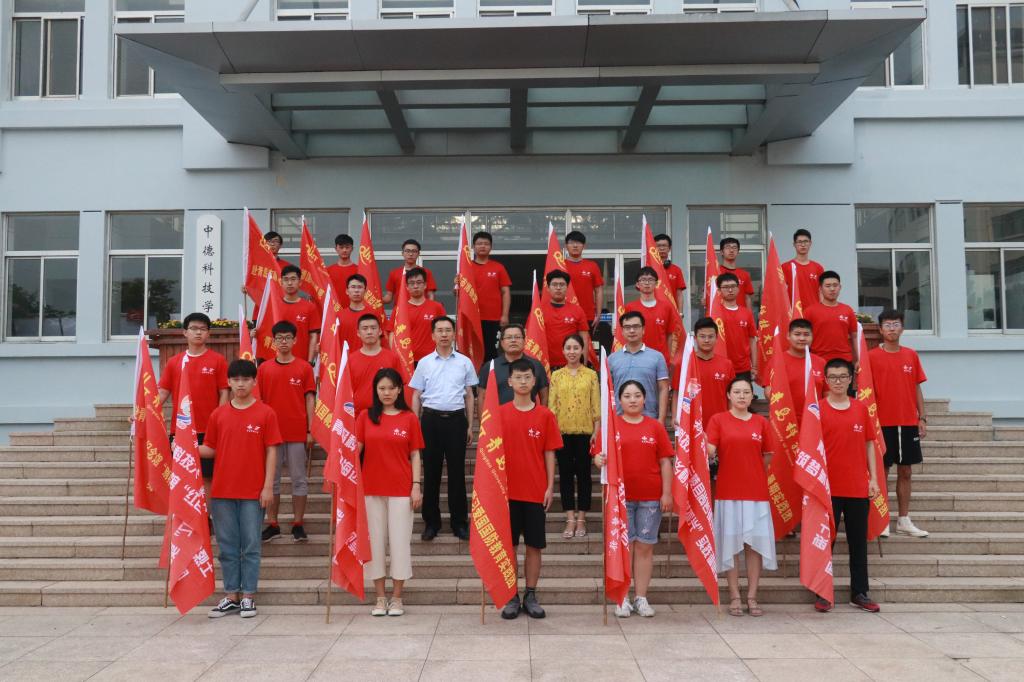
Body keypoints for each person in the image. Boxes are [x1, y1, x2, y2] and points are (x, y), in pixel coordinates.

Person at [200, 359, 280, 619]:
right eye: (236, 380)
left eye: (246, 379)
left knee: (251, 545)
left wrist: (268, 487)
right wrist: (183, 446)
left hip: (253, 492)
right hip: (222, 492)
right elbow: (210, 449)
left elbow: (272, 451)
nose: (241, 384)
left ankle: (248, 596)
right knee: (227, 546)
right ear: (229, 383)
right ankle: (232, 595)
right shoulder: (218, 414)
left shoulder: (266, 413)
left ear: (254, 382)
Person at [593, 380, 672, 618]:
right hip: (620, 498)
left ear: (645, 399)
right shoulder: (610, 426)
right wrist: (598, 460)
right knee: (624, 548)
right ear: (619, 400)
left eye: (637, 395)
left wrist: (667, 492)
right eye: (627, 396)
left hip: (650, 497)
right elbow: (598, 457)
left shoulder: (655, 427)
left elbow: (665, 461)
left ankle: (641, 598)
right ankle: (622, 598)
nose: (633, 400)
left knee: (645, 546)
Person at [356, 368, 424, 617]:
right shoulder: (365, 417)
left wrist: (416, 485)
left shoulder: (409, 418)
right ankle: (380, 597)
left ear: (399, 390)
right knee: (375, 544)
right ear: (375, 390)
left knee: (399, 544)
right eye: (382, 388)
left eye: (391, 388)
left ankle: (397, 598)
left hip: (401, 490)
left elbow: (415, 455)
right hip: (371, 488)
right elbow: (355, 450)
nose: (386, 393)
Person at [499, 359, 562, 620]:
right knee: (509, 546)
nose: (523, 382)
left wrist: (549, 486)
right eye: (518, 377)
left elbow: (549, 453)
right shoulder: (499, 414)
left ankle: (531, 594)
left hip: (535, 491)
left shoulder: (545, 415)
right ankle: (511, 595)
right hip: (507, 493)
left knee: (534, 546)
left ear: (535, 381)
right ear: (510, 381)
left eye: (527, 377)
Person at [707, 377, 775, 618]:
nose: (742, 396)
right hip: (728, 491)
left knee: (754, 546)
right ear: (729, 395)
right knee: (731, 545)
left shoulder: (761, 422)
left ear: (752, 396)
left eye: (746, 392)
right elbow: (710, 450)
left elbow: (767, 455)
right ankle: (735, 595)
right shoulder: (718, 420)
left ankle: (752, 596)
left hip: (756, 492)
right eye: (737, 392)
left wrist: (751, 471)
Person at [818, 359, 881, 613]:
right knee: (826, 542)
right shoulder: (817, 409)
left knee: (858, 542)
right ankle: (822, 591)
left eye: (843, 376)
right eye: (833, 377)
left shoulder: (860, 409)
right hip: (827, 488)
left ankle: (860, 592)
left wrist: (873, 479)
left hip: (857, 486)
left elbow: (869, 444)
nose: (838, 381)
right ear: (825, 380)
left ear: (851, 380)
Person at [410, 316, 478, 541]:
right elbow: (416, 395)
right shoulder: (424, 363)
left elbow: (470, 395)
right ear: (433, 335)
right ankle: (431, 523)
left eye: (448, 330)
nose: (444, 334)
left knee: (457, 473)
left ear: (454, 333)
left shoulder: (464, 362)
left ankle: (460, 523)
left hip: (457, 421)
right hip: (430, 421)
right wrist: (415, 423)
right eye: (439, 330)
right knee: (431, 473)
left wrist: (470, 425)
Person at [868, 309, 929, 538]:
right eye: (887, 325)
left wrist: (922, 417)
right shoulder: (871, 357)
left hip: (908, 422)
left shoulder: (911, 355)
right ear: (880, 329)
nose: (892, 328)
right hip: (881, 424)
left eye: (896, 324)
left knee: (906, 471)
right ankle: (881, 519)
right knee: (881, 472)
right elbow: (865, 391)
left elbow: (916, 387)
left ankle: (903, 519)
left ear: (902, 328)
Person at [256, 321, 315, 544]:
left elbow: (310, 400)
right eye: (279, 338)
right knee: (272, 481)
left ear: (295, 340)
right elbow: (259, 402)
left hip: (297, 432)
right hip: (271, 435)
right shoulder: (264, 369)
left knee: (299, 479)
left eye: (287, 337)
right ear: (273, 341)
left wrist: (310, 429)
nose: (283, 341)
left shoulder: (304, 368)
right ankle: (273, 524)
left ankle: (298, 524)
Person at [158, 312, 228, 489]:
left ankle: (207, 509)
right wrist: (143, 412)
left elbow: (224, 393)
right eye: (194, 328)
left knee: (207, 477)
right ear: (185, 332)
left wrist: (219, 421)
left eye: (203, 329)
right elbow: (162, 392)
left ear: (208, 333)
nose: (198, 332)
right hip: (181, 429)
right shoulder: (174, 362)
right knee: (181, 476)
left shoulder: (218, 360)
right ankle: (183, 509)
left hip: (208, 429)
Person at [548, 334, 599, 539]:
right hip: (562, 434)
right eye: (568, 348)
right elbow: (551, 407)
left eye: (576, 348)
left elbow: (596, 405)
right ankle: (570, 518)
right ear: (563, 351)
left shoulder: (591, 375)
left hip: (586, 434)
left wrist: (596, 431)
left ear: (582, 350)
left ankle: (581, 519)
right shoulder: (556, 376)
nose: (572, 352)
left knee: (584, 476)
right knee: (566, 476)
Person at [608, 311, 670, 424]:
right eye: (627, 327)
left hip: (650, 418)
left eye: (636, 326)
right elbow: (608, 391)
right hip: (619, 419)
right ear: (622, 331)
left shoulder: (657, 357)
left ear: (643, 329)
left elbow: (663, 388)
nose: (632, 330)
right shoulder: (612, 359)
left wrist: (661, 419)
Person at [477, 323, 548, 406]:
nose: (513, 340)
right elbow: (482, 397)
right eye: (509, 337)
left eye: (517, 337)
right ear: (502, 342)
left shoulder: (536, 365)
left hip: (529, 413)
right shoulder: (490, 366)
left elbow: (544, 396)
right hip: (498, 414)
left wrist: (542, 414)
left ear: (524, 341)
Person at [624, 266, 681, 367]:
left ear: (656, 283)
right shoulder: (630, 307)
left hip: (660, 359)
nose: (647, 283)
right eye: (643, 280)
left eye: (650, 280)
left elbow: (670, 335)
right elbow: (625, 333)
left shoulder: (667, 307)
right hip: (636, 359)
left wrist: (668, 358)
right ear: (637, 284)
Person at [469, 231, 512, 363]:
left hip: (493, 318)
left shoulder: (498, 268)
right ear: (473, 247)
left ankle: (491, 376)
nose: (483, 246)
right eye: (479, 243)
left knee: (491, 352)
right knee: (472, 352)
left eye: (486, 244)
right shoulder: (467, 267)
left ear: (491, 247)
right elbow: (459, 294)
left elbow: (506, 292)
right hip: (472, 318)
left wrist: (504, 315)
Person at [349, 314, 403, 414]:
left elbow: (400, 387)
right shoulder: (349, 360)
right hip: (357, 414)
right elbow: (345, 391)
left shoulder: (392, 358)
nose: (369, 332)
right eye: (365, 328)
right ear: (358, 333)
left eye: (373, 328)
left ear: (380, 331)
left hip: (386, 414)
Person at [391, 267, 446, 362]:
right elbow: (392, 333)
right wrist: (395, 354)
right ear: (407, 287)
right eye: (412, 283)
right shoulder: (399, 309)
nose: (415, 286)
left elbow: (443, 331)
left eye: (419, 282)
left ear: (425, 285)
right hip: (406, 360)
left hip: (431, 359)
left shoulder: (437, 307)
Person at [804, 271, 857, 364]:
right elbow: (804, 337)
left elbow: (855, 337)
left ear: (840, 287)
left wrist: (857, 359)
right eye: (828, 286)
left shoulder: (848, 310)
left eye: (835, 285)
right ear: (820, 289)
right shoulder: (810, 311)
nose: (832, 289)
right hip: (818, 360)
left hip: (844, 360)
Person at [541, 270, 590, 370]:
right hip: (545, 365)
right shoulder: (538, 311)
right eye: (554, 284)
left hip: (571, 365)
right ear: (548, 288)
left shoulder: (577, 310)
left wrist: (583, 367)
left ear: (567, 287)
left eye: (562, 284)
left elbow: (584, 339)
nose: (558, 288)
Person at [716, 272, 758, 383]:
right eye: (726, 287)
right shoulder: (715, 313)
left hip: (743, 367)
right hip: (721, 366)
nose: (730, 290)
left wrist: (754, 366)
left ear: (738, 289)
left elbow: (752, 340)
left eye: (733, 286)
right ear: (719, 291)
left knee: (742, 394)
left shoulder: (747, 313)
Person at [782, 318, 825, 419]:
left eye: (806, 334)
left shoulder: (821, 362)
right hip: (787, 419)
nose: (802, 338)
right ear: (788, 336)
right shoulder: (778, 361)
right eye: (797, 334)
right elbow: (769, 392)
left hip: (815, 419)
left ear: (812, 336)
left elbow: (827, 393)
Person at [563, 230, 605, 332]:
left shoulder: (592, 266)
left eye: (578, 242)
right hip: (564, 314)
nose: (575, 245)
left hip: (588, 315)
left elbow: (598, 291)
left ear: (584, 246)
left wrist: (598, 314)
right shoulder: (560, 265)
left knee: (586, 342)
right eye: (572, 242)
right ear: (566, 246)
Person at [278, 265, 320, 364]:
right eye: (286, 279)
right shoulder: (274, 305)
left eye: (293, 279)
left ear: (300, 282)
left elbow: (313, 336)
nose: (289, 283)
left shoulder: (310, 307)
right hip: (277, 361)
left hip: (302, 362)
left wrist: (310, 361)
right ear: (281, 282)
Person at [339, 274, 388, 353]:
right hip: (345, 359)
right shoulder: (339, 316)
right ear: (347, 291)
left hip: (369, 357)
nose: (356, 290)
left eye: (360, 287)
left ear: (365, 291)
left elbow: (382, 339)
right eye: (353, 287)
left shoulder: (374, 314)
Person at [383, 239, 437, 305]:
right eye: (407, 251)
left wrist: (431, 308)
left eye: (414, 251)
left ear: (418, 254)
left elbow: (430, 295)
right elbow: (388, 297)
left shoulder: (426, 272)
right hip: (400, 310)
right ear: (402, 253)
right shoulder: (394, 273)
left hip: (420, 309)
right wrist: (374, 299)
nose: (411, 254)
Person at [782, 229, 824, 311]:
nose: (803, 245)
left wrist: (822, 310)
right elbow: (780, 292)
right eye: (799, 242)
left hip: (813, 311)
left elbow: (821, 292)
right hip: (793, 312)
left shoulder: (818, 267)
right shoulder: (785, 267)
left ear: (810, 243)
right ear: (794, 244)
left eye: (805, 241)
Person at [719, 238, 754, 309]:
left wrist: (749, 315)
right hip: (720, 314)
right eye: (728, 247)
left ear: (738, 252)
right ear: (722, 252)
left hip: (741, 314)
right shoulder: (715, 272)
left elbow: (747, 298)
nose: (731, 250)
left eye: (734, 247)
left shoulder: (745, 274)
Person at [654, 233, 686, 312]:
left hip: (671, 311)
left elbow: (679, 294)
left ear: (669, 248)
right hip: (653, 310)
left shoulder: (676, 270)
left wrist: (680, 313)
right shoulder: (649, 269)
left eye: (664, 245)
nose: (661, 248)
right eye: (658, 246)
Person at [327, 233, 358, 308]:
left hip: (354, 310)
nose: (344, 250)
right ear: (336, 249)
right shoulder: (327, 271)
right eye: (341, 247)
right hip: (334, 311)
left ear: (352, 249)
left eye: (347, 247)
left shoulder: (359, 270)